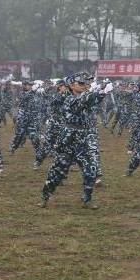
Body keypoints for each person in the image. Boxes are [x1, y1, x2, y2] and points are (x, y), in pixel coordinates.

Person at [37, 73, 112, 209]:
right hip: (68, 139)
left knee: (90, 170)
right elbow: (84, 100)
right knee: (57, 171)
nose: (84, 85)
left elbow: (92, 100)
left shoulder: (84, 97)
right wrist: (99, 91)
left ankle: (87, 199)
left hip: (83, 138)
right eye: (81, 83)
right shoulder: (69, 98)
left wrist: (102, 91)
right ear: (72, 86)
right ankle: (45, 197)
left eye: (85, 83)